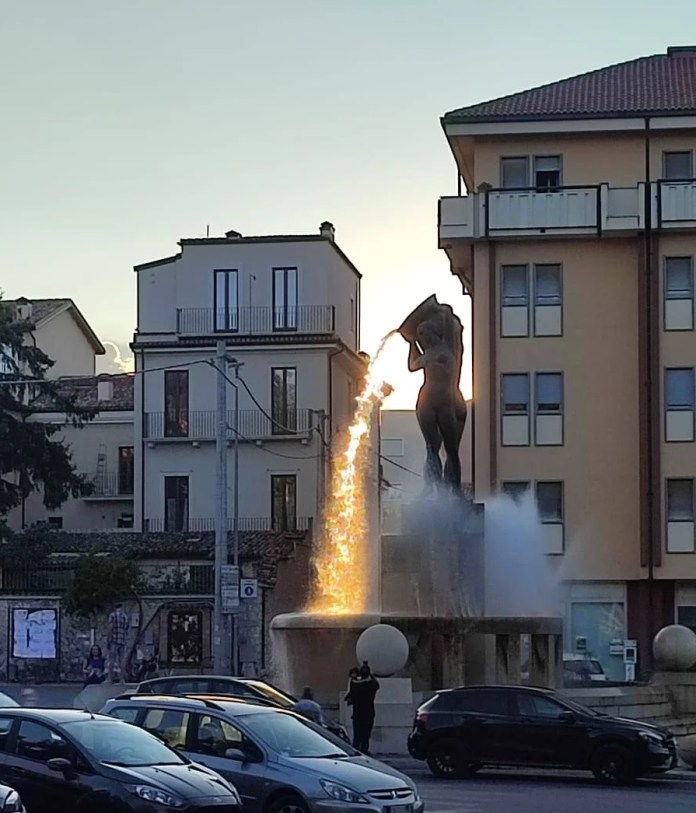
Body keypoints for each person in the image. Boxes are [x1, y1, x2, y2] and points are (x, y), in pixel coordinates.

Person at [345, 661, 380, 754]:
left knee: (357, 735)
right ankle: (364, 750)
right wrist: (371, 675)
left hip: (357, 714)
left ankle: (355, 750)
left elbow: (350, 692)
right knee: (366, 735)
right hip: (368, 714)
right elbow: (377, 685)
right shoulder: (371, 685)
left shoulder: (355, 684)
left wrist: (356, 676)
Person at [107, 602, 130, 683]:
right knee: (121, 660)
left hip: (114, 639)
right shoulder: (125, 617)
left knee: (112, 659)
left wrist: (109, 638)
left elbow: (111, 627)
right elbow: (126, 629)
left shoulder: (112, 615)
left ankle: (109, 678)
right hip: (122, 640)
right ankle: (122, 679)